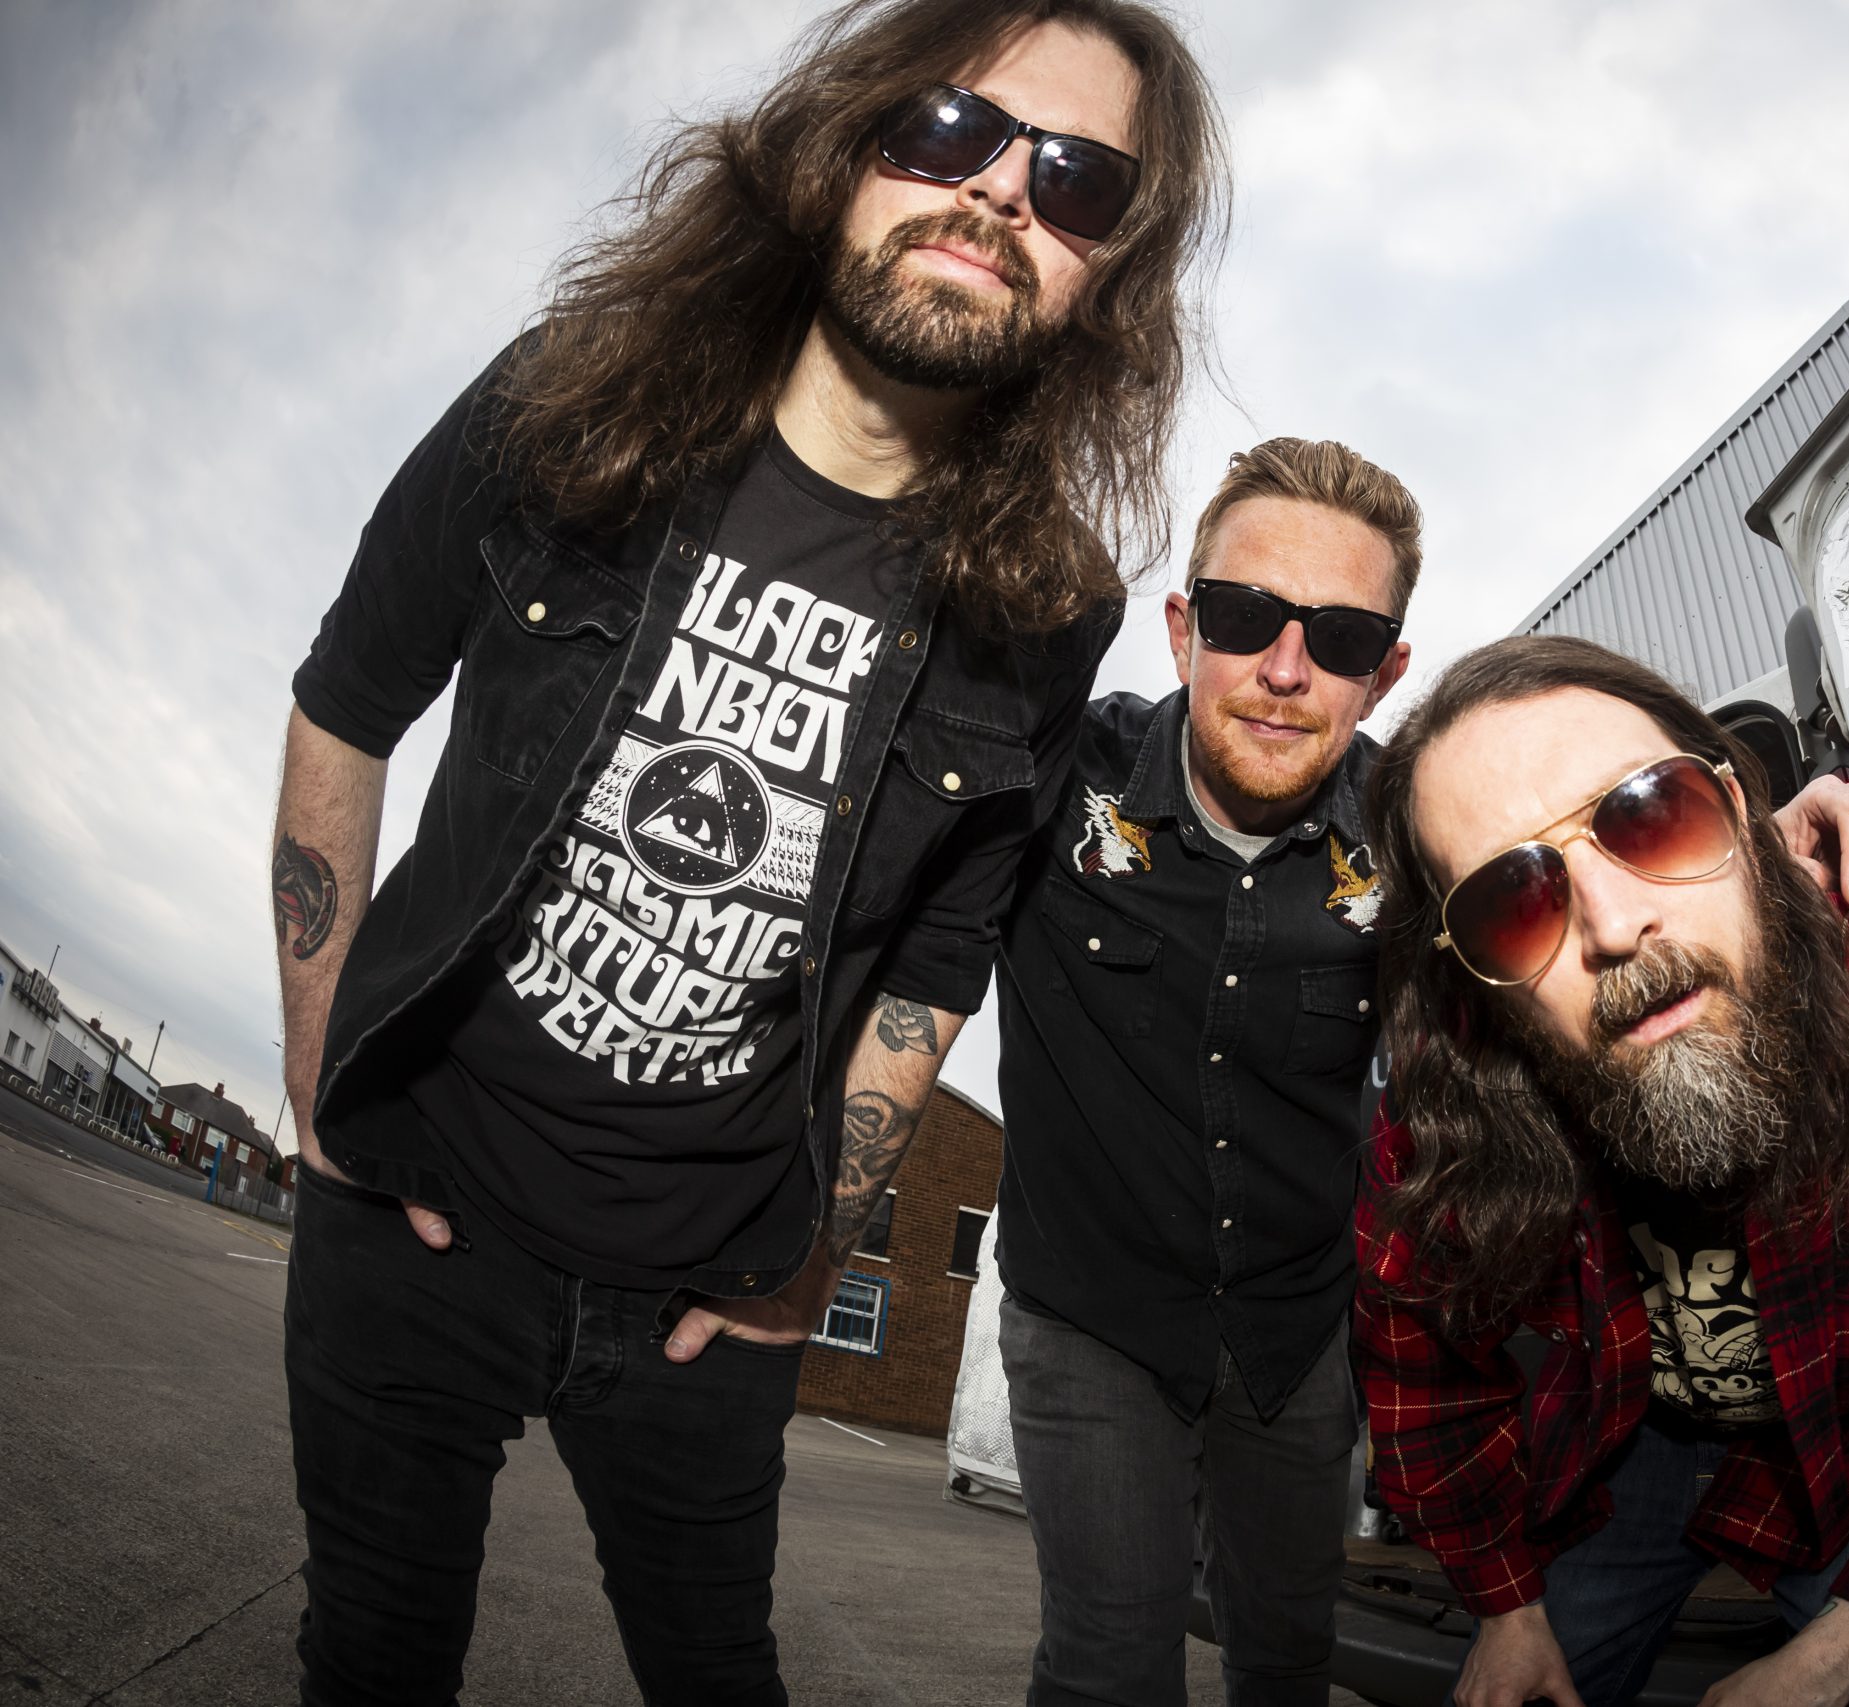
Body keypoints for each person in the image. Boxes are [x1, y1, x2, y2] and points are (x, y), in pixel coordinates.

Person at [269, 3, 1223, 1701]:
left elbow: (940, 954)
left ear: (1105, 280)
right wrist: (319, 1069)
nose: (1002, 191)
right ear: (845, 142)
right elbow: (350, 701)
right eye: (951, 126)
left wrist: (817, 1255)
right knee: (371, 1659)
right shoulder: (574, 390)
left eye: (1078, 181)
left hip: (710, 1295)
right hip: (418, 1209)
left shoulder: (1050, 604)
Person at [989, 442, 1849, 1707]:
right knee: (1108, 1667)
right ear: (1181, 630)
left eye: (1338, 638)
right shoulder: (1052, 779)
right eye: (1244, 616)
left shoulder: (1420, 849)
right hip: (1091, 1313)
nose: (1284, 669)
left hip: (1295, 1334)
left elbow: (1574, 894)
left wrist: (1753, 844)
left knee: (1286, 1658)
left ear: (1384, 672)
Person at [1352, 635, 1849, 1707]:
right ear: (1472, 977)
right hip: (1639, 1435)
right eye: (1513, 901)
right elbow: (1425, 1385)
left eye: (1648, 815)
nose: (1615, 925)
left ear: (1741, 814)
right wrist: (1504, 1611)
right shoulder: (1455, 1113)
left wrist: (1832, 1657)